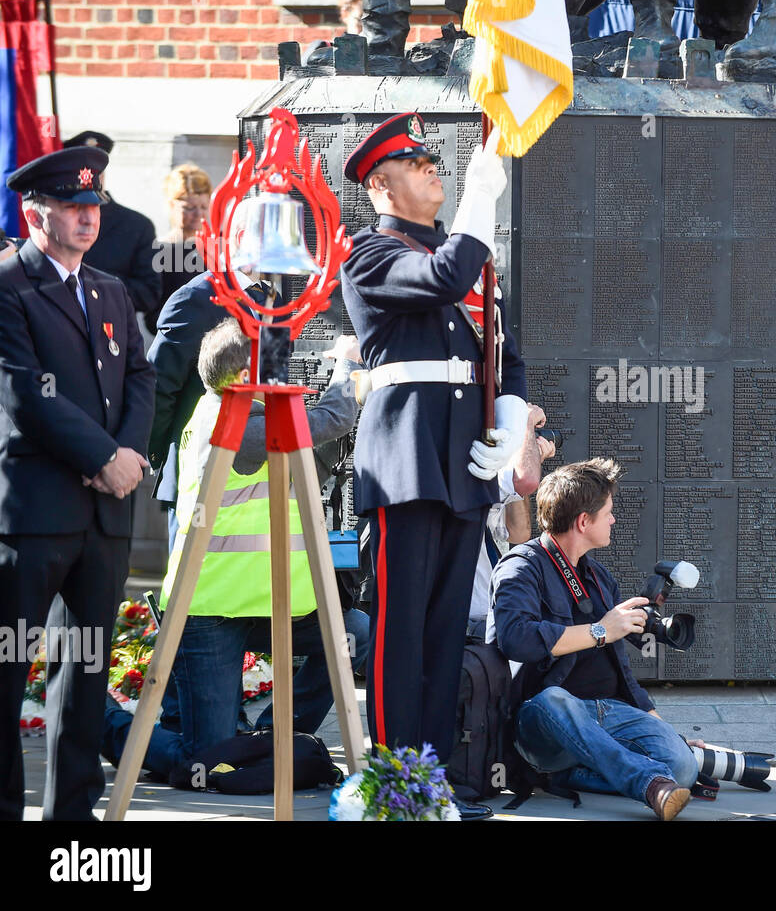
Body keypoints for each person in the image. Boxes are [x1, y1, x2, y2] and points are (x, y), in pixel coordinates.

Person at [340, 112, 527, 820]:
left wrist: (510, 422)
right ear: (383, 186)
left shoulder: (469, 260)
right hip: (407, 462)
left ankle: (434, 776)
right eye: (417, 166)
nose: (435, 171)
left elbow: (509, 351)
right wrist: (481, 202)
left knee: (450, 629)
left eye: (434, 162)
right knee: (400, 630)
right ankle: (394, 780)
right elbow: (445, 277)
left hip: (463, 467)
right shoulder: (371, 255)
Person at [102, 320, 366, 774]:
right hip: (211, 611)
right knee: (206, 760)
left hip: (270, 604)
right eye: (274, 365)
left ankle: (271, 737)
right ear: (244, 376)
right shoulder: (232, 418)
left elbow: (299, 477)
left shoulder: (246, 414)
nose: (283, 374)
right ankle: (101, 721)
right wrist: (347, 365)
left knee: (354, 632)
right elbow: (330, 419)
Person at [0, 147, 155, 820]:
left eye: (93, 205)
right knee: (8, 670)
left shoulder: (110, 289)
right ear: (37, 216)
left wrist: (126, 452)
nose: (88, 218)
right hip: (34, 513)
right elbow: (25, 393)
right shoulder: (9, 286)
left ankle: (72, 814)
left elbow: (143, 378)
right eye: (72, 206)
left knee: (85, 671)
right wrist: (102, 456)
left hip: (103, 517)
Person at [493, 458, 699, 820]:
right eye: (608, 512)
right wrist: (601, 630)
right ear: (584, 521)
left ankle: (578, 771)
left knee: (682, 767)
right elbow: (516, 639)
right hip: (541, 720)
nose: (614, 520)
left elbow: (619, 669)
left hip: (605, 712)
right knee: (555, 699)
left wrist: (661, 728)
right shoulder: (521, 567)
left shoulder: (599, 576)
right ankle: (650, 785)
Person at [148, 199, 277, 554]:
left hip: (257, 478)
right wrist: (160, 455)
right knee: (191, 598)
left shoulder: (275, 299)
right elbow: (158, 385)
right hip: (200, 470)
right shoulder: (198, 297)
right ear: (240, 237)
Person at [470, 402, 555, 642]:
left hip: (483, 617)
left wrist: (522, 456)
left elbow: (518, 532)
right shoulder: (467, 473)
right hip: (466, 621)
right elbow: (521, 480)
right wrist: (525, 428)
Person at [63, 130, 159, 321]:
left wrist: (94, 283)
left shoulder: (137, 226)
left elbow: (149, 294)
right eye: (82, 168)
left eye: (96, 168)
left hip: (113, 327)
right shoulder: (57, 219)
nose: (89, 175)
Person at [147, 163, 212, 334]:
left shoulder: (219, 249)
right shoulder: (159, 250)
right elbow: (152, 313)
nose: (198, 214)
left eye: (204, 207)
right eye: (189, 208)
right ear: (171, 205)